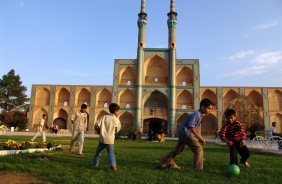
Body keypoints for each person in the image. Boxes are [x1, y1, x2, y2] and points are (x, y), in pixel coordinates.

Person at [159, 98, 213, 171]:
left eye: (211, 109)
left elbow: (196, 128)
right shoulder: (196, 114)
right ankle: (198, 169)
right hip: (186, 133)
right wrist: (200, 138)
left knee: (179, 149)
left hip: (182, 132)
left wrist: (199, 137)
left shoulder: (200, 115)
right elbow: (191, 126)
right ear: (202, 107)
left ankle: (165, 160)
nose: (210, 111)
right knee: (198, 148)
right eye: (209, 108)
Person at [93, 103, 121, 171]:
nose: (119, 112)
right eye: (118, 111)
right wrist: (114, 132)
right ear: (115, 111)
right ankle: (113, 165)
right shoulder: (116, 120)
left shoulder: (104, 117)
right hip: (110, 140)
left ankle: (95, 164)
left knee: (98, 152)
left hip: (102, 139)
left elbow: (96, 124)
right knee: (111, 153)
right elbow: (118, 129)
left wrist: (98, 130)